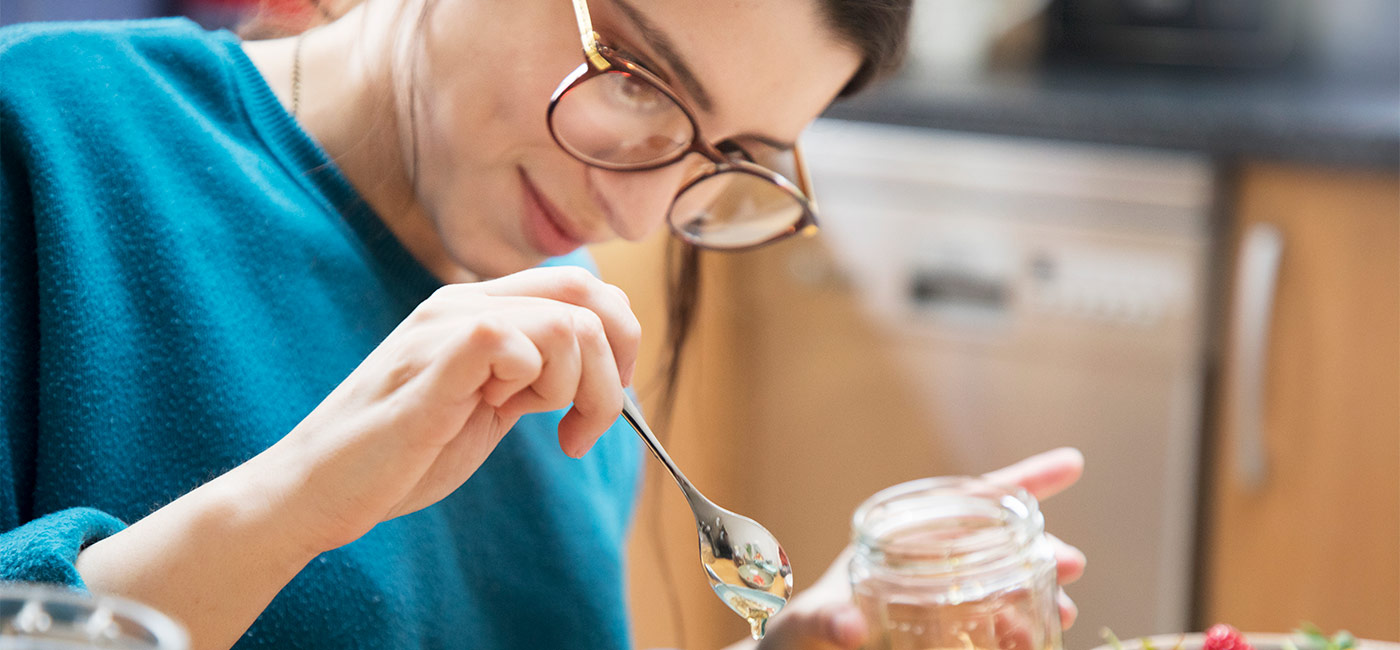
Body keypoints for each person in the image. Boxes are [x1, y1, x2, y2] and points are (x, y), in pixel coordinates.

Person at [0, 0, 1085, 648]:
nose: (635, 208)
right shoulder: (50, 140)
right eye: (636, 76)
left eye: (731, 156)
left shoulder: (564, 344)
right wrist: (294, 501)